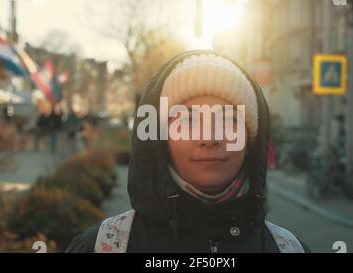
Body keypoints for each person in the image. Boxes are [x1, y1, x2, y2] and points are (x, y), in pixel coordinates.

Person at [66, 50, 310, 253]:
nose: (209, 138)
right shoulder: (103, 247)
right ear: (161, 138)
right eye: (187, 121)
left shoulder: (289, 249)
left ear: (250, 141)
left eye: (227, 120)